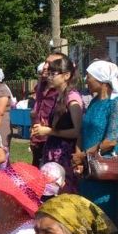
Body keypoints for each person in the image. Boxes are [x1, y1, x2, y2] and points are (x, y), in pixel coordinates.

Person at [78, 60, 118, 224]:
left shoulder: (117, 103)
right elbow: (85, 131)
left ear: (101, 80)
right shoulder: (94, 101)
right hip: (87, 167)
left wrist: (84, 156)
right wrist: (80, 156)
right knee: (86, 211)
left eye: (89, 77)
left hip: (103, 167)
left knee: (102, 213)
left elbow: (111, 141)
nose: (86, 80)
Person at [32, 56, 83, 194]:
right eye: (49, 73)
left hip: (64, 154)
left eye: (53, 74)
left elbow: (77, 131)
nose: (49, 77)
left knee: (64, 190)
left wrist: (49, 131)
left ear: (66, 75)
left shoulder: (72, 99)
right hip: (54, 150)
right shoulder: (60, 95)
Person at [30, 52, 67, 166]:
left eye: (50, 63)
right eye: (46, 62)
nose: (45, 66)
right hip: (37, 139)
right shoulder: (41, 84)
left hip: (54, 141)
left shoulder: (63, 90)